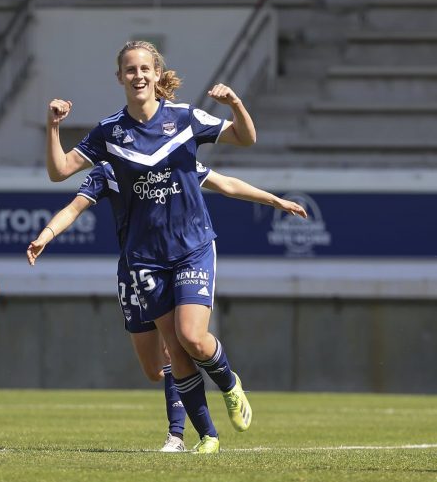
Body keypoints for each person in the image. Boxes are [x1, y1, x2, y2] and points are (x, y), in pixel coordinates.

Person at [44, 40, 266, 453]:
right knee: (173, 357)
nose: (138, 75)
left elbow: (245, 138)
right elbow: (59, 171)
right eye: (130, 70)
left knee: (192, 337)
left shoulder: (184, 118)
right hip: (145, 258)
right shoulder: (109, 131)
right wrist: (54, 125)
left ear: (156, 73)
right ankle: (205, 438)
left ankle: (230, 383)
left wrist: (234, 101)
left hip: (192, 245)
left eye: (145, 68)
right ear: (120, 78)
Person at [27, 160, 306, 452]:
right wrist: (46, 235)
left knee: (183, 341)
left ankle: (187, 434)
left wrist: (275, 200)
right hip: (138, 267)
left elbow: (224, 183)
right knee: (154, 368)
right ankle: (195, 425)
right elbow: (74, 207)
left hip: (182, 258)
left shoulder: (171, 152)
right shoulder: (109, 170)